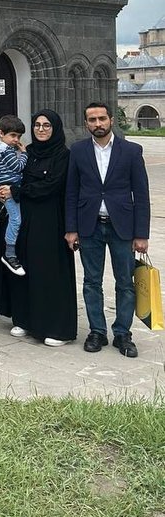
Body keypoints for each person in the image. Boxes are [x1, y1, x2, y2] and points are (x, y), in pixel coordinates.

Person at [65, 102, 150, 358]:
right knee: (92, 282)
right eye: (92, 120)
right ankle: (97, 331)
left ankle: (123, 333)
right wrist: (71, 229)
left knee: (125, 283)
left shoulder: (131, 151)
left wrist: (141, 234)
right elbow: (71, 192)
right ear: (86, 123)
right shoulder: (78, 151)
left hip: (121, 227)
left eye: (102, 118)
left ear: (111, 119)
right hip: (89, 226)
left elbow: (142, 195)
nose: (98, 124)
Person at [0, 110, 77, 347]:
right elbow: (13, 176)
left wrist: (16, 191)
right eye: (37, 125)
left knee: (48, 270)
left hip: (49, 220)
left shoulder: (63, 155)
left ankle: (56, 328)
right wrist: (2, 190)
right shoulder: (27, 153)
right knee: (25, 266)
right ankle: (25, 319)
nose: (41, 129)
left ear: (55, 128)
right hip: (25, 217)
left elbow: (51, 185)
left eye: (46, 125)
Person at [0, 115, 27, 275]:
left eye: (18, 136)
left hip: (0, 186)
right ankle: (10, 253)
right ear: (1, 133)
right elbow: (17, 167)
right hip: (10, 188)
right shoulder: (8, 151)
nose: (16, 140)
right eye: (13, 135)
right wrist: (24, 153)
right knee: (16, 220)